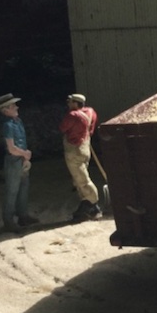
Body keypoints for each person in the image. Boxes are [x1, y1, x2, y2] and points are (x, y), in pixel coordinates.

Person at [0, 93, 39, 230]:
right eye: (13, 106)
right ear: (6, 110)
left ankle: (23, 215)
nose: (16, 107)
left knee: (23, 187)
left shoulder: (17, 121)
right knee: (12, 190)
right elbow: (11, 148)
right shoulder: (8, 125)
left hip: (21, 158)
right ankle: (8, 220)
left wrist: (25, 155)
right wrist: (25, 153)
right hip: (14, 159)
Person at [59, 92, 102, 222]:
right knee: (82, 177)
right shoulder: (90, 112)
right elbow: (91, 130)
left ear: (75, 103)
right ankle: (89, 206)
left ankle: (92, 205)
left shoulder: (72, 115)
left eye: (70, 102)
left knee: (81, 180)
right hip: (85, 148)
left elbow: (62, 128)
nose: (68, 104)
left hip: (74, 150)